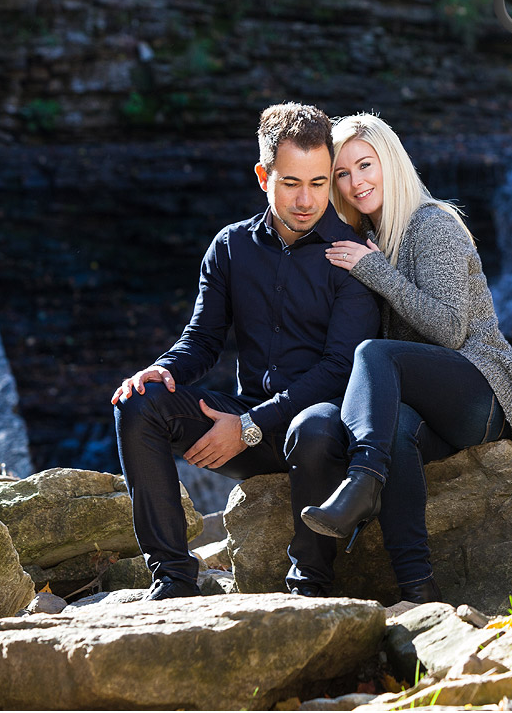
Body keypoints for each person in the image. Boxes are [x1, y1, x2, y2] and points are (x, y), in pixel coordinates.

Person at [112, 102, 379, 600]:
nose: (306, 200)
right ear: (263, 176)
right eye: (291, 183)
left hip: (321, 432)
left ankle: (310, 584)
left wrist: (250, 425)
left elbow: (341, 370)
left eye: (319, 183)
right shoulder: (230, 247)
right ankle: (172, 577)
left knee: (316, 425)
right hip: (245, 425)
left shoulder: (352, 255)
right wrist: (162, 369)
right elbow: (203, 340)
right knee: (138, 403)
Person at [298, 113, 512, 603]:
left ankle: (362, 484)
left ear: (391, 162)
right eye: (342, 174)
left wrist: (375, 272)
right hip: (435, 411)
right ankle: (418, 591)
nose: (354, 182)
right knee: (396, 428)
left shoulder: (432, 224)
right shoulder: (373, 239)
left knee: (375, 355)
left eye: (365, 165)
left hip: (486, 391)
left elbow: (450, 330)